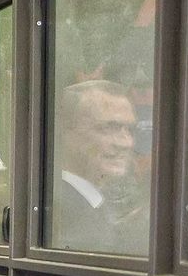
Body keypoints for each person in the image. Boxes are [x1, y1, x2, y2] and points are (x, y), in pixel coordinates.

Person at [49, 80, 144, 256]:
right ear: (66, 132)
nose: (127, 142)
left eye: (130, 130)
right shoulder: (55, 208)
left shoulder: (100, 202)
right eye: (110, 127)